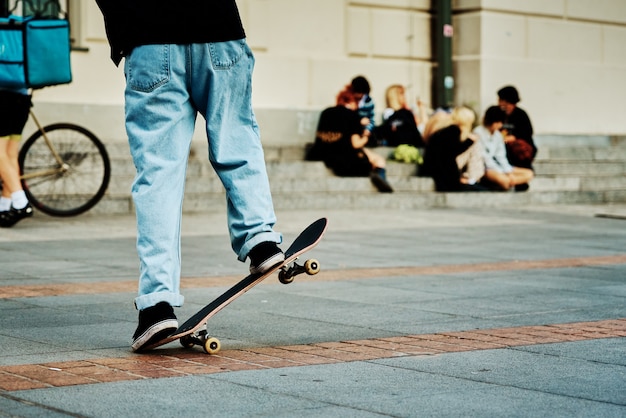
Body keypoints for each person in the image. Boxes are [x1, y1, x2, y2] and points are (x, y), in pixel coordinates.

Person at [95, 0, 284, 352]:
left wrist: (124, 30)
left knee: (158, 178)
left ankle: (156, 306)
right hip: (218, 31)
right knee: (236, 140)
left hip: (149, 40)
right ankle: (260, 238)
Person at [306, 86, 393, 193]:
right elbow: (356, 144)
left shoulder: (326, 112)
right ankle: (379, 174)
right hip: (346, 160)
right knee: (378, 160)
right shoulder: (352, 115)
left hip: (321, 153)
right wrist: (366, 136)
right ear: (353, 102)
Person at [421, 106, 486, 192]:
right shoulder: (453, 130)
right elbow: (452, 151)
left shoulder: (445, 129)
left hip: (436, 171)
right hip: (443, 175)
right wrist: (469, 141)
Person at [474, 106, 534, 191]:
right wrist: (504, 173)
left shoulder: (497, 135)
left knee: (529, 174)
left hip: (501, 167)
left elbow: (501, 156)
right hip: (486, 168)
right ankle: (505, 183)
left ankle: (507, 183)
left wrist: (508, 172)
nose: (500, 125)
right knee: (504, 180)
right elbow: (485, 158)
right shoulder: (478, 133)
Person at [0, 87, 34, 228]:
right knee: (10, 154)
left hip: (2, 98)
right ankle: (4, 207)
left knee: (1, 153)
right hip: (23, 98)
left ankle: (21, 202)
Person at [497, 85, 537, 175]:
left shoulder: (521, 114)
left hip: (519, 147)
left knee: (517, 148)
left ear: (506, 101)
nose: (498, 102)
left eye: (500, 99)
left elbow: (527, 132)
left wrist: (513, 137)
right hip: (502, 144)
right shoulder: (500, 114)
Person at [350, 76, 376, 143]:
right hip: (353, 131)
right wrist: (359, 122)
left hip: (364, 131)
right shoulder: (350, 101)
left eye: (360, 93)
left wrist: (368, 130)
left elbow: (371, 119)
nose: (357, 95)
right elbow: (348, 120)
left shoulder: (369, 102)